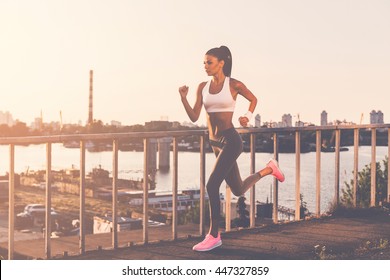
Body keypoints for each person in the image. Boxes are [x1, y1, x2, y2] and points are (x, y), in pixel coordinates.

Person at [179, 46, 285, 252]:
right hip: (215, 143)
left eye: (209, 62)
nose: (205, 66)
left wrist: (248, 116)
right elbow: (194, 116)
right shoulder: (202, 86)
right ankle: (270, 169)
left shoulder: (234, 84)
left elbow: (254, 99)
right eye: (204, 63)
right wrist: (183, 97)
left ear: (221, 63)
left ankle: (214, 235)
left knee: (211, 185)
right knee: (237, 189)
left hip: (231, 141)